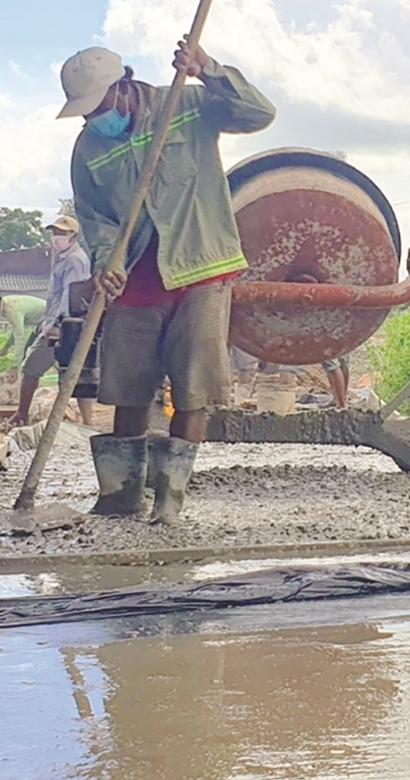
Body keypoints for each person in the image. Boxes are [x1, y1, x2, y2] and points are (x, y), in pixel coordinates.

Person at [63, 37, 275, 522]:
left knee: (194, 389)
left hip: (200, 268)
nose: (94, 118)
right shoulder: (89, 147)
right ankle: (121, 497)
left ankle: (169, 501)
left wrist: (209, 69)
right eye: (85, 113)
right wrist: (103, 260)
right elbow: (94, 217)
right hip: (134, 278)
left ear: (123, 87)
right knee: (127, 389)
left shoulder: (188, 104)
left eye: (98, 107)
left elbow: (259, 113)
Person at [0, 216, 96, 428]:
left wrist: (57, 325)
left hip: (65, 325)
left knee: (32, 368)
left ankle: (21, 416)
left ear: (74, 236)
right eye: (55, 233)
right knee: (74, 373)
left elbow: (70, 295)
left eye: (62, 234)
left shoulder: (75, 260)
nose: (57, 238)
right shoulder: (62, 257)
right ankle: (87, 423)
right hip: (57, 322)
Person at [0, 286, 46, 364]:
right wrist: (6, 347)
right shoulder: (8, 303)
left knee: (31, 354)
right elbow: (16, 331)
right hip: (43, 322)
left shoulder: (11, 310)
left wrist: (15, 365)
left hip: (50, 320)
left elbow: (20, 338)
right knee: (28, 352)